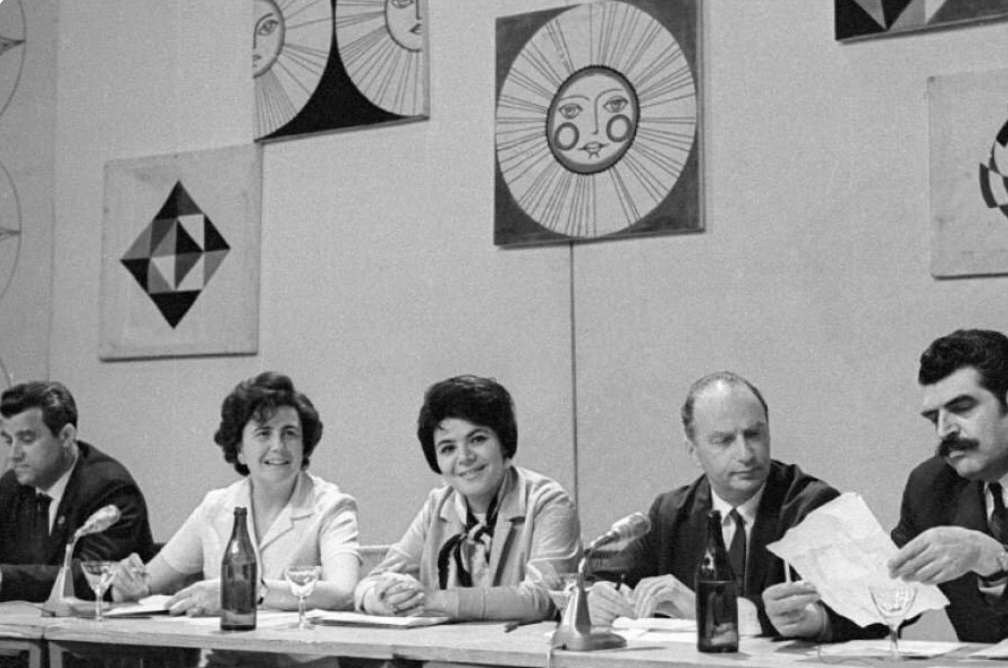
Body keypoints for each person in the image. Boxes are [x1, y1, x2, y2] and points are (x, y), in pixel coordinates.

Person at [588, 371, 871, 641]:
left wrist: (815, 620)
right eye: (723, 441)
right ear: (693, 451)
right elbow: (600, 578)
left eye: (754, 435)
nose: (745, 454)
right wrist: (597, 597)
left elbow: (873, 609)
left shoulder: (813, 506)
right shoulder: (670, 513)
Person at [112, 371, 360, 619]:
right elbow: (147, 583)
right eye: (264, 433)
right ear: (239, 448)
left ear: (304, 446)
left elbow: (343, 593)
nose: (278, 446)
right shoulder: (215, 507)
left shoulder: (332, 506)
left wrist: (244, 592)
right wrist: (129, 587)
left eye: (290, 433)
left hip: (300, 644)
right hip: (223, 644)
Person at [354, 375, 580, 622]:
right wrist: (380, 599)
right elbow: (371, 582)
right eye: (448, 448)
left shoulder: (548, 502)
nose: (464, 457)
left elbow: (544, 598)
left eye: (477, 439)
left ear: (504, 444)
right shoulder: (438, 505)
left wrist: (434, 600)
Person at [889, 329, 1008, 642]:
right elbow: (892, 590)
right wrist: (815, 618)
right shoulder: (932, 485)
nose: (944, 431)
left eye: (962, 408)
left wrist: (993, 559)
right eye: (934, 418)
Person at [0, 381, 154, 602]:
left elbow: (91, 577)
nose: (13, 454)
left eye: (27, 440)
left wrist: (3, 579)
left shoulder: (111, 489)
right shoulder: (12, 487)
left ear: (66, 436)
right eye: (8, 441)